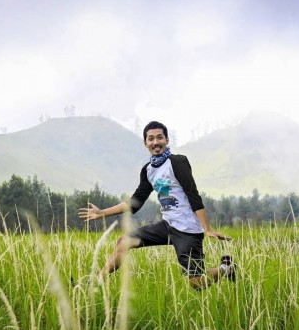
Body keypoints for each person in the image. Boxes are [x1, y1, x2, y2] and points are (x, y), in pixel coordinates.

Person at [79, 121, 235, 290]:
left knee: (197, 283)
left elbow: (193, 195)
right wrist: (102, 212)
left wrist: (207, 228)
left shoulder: (178, 162)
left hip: (187, 230)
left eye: (159, 137)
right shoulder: (148, 170)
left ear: (167, 140)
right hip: (167, 225)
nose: (155, 142)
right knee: (124, 242)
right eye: (151, 139)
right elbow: (134, 203)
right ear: (145, 143)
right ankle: (94, 284)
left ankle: (225, 268)